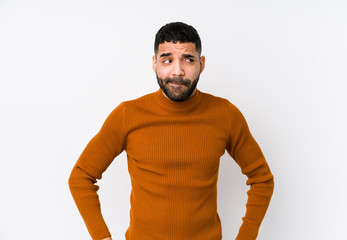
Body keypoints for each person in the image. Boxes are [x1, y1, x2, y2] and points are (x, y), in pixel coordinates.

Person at [69, 22, 274, 240]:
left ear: (201, 64)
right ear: (154, 63)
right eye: (167, 60)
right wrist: (101, 236)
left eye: (188, 59)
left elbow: (262, 179)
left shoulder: (225, 114)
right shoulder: (127, 114)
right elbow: (81, 177)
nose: (178, 71)